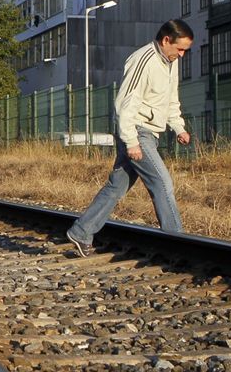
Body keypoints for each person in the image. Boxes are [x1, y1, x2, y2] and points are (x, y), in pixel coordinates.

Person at [65, 19, 193, 257]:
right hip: (137, 131)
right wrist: (131, 141)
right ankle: (180, 245)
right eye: (180, 49)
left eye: (185, 50)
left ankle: (82, 232)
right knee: (163, 184)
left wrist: (178, 127)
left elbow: (171, 99)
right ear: (166, 40)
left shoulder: (170, 61)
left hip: (149, 133)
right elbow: (126, 103)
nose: (182, 55)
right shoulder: (142, 60)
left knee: (116, 187)